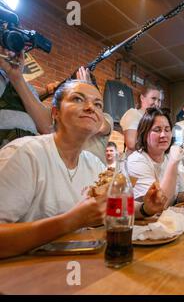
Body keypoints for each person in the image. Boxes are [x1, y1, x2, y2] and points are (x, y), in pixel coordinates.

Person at [0, 80, 107, 259]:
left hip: (75, 267)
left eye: (98, 104)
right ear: (55, 112)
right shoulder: (25, 153)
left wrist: (145, 209)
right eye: (78, 99)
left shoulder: (94, 164)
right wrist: (70, 221)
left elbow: (116, 205)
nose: (91, 108)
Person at [127, 108, 184, 217]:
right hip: (142, 226)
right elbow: (158, 204)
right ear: (145, 133)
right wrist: (173, 163)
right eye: (157, 130)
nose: (163, 135)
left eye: (167, 129)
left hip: (167, 223)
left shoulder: (169, 156)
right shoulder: (136, 160)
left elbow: (181, 195)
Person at [0, 47, 52, 147]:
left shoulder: (27, 86)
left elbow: (47, 128)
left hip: (24, 156)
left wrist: (17, 78)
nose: (8, 51)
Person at [120, 84, 162, 153]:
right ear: (142, 98)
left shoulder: (156, 119)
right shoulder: (133, 114)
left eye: (159, 100)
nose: (157, 104)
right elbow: (132, 144)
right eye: (153, 98)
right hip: (136, 161)